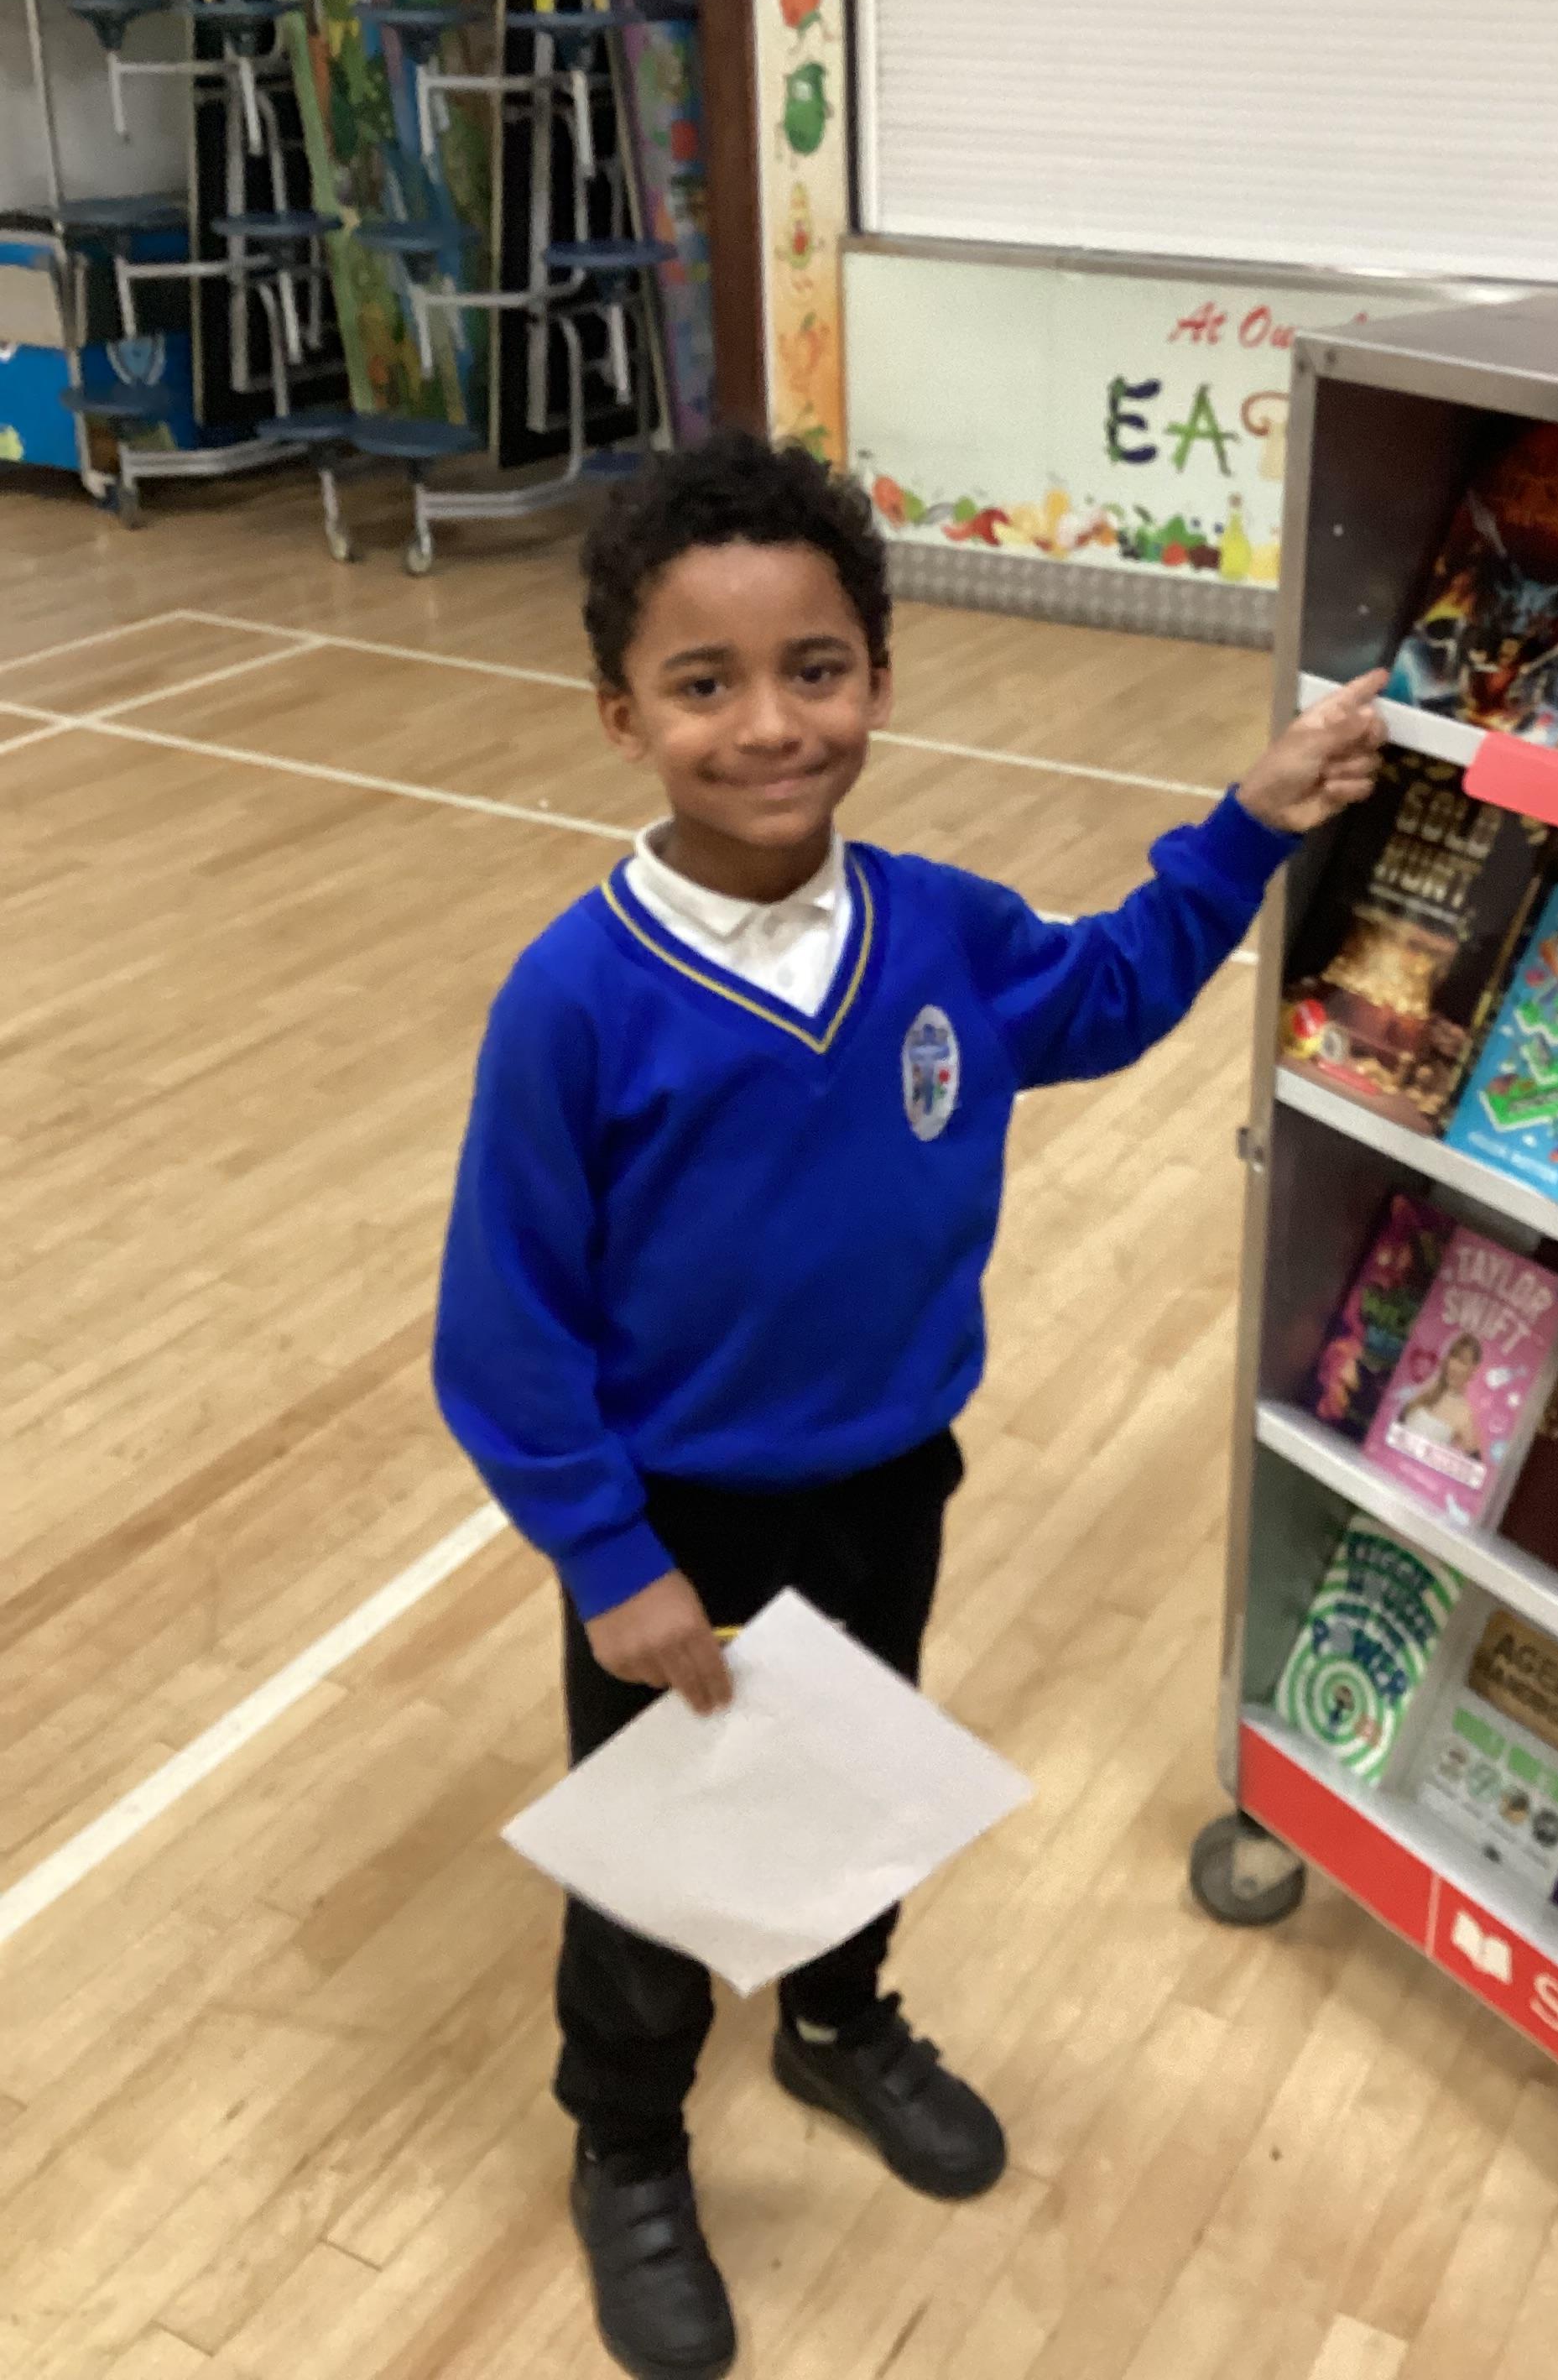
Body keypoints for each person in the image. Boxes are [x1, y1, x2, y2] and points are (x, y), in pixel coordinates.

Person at [433, 430, 1387, 2380]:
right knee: (658, 1867)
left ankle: (835, 2018)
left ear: (877, 671)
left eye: (816, 669)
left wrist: (1250, 825)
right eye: (705, 684)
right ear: (622, 716)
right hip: (678, 1523)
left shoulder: (940, 927)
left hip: (890, 1473)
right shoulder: (573, 1001)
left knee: (849, 1784)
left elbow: (1108, 990)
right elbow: (503, 1329)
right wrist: (610, 1562)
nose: (771, 725)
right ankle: (628, 2143)